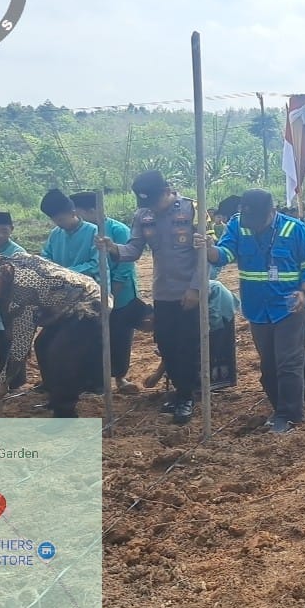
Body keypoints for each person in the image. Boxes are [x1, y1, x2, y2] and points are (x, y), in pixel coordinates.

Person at [205, 189, 305, 433]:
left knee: (288, 363)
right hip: (257, 308)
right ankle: (280, 407)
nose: (253, 226)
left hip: (289, 306)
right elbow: (224, 254)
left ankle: (289, 415)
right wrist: (209, 250)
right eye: (249, 221)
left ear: (272, 212)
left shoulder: (294, 228)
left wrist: (304, 292)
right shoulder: (238, 225)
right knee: (268, 366)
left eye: (258, 221)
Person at [99, 170, 202, 424]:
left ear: (167, 191)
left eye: (155, 202)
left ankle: (187, 396)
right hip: (163, 291)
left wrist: (196, 288)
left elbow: (205, 255)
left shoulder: (193, 209)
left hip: (189, 291)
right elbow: (134, 250)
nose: (152, 208)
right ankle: (179, 390)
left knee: (187, 345)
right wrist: (113, 248)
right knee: (166, 344)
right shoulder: (143, 216)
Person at [0, 251, 104, 417]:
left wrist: (4, 382)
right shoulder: (11, 263)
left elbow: (20, 347)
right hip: (64, 304)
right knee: (42, 345)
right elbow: (13, 258)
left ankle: (65, 411)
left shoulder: (21, 294)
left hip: (89, 303)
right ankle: (54, 392)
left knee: (60, 354)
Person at [70, 191, 143, 395]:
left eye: (79, 213)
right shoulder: (84, 231)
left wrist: (111, 295)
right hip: (92, 295)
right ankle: (95, 379)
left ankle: (120, 377)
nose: (77, 217)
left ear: (93, 210)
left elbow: (125, 267)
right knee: (95, 337)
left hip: (121, 294)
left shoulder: (118, 230)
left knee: (119, 335)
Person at [0, 211, 27, 390]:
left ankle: (16, 381)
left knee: (12, 342)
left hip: (11, 304)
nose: (0, 235)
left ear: (12, 229)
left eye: (4, 230)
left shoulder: (18, 251)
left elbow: (20, 276)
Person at [39, 189, 100, 278]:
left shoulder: (94, 231)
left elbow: (96, 264)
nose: (58, 224)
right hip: (60, 283)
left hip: (88, 284)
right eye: (54, 221)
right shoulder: (55, 233)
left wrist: (66, 273)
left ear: (72, 213)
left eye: (61, 220)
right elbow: (45, 257)